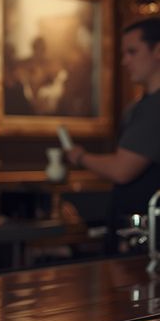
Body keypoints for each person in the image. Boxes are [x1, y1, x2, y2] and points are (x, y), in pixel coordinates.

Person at [67, 17, 160, 246]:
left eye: (132, 52)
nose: (124, 61)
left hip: (144, 233)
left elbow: (122, 169)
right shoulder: (142, 105)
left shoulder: (155, 106)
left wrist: (80, 156)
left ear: (158, 50)